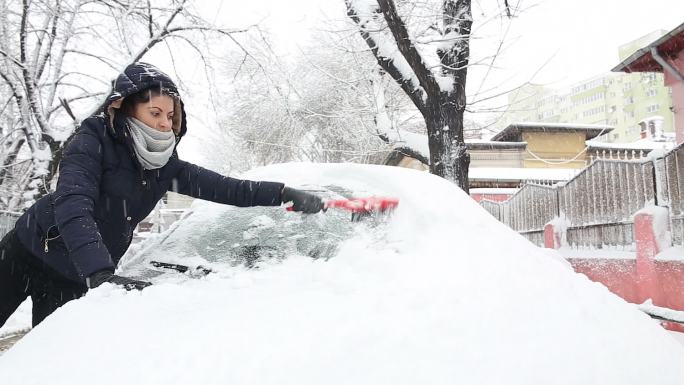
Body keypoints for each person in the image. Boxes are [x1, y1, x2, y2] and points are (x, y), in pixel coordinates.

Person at [0, 62, 324, 328]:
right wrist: (99, 271)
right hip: (24, 255)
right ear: (125, 108)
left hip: (71, 280)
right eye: (155, 113)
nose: (164, 123)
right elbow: (72, 204)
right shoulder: (92, 141)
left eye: (170, 116)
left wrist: (283, 193)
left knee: (49, 360)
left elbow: (229, 188)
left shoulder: (166, 168)